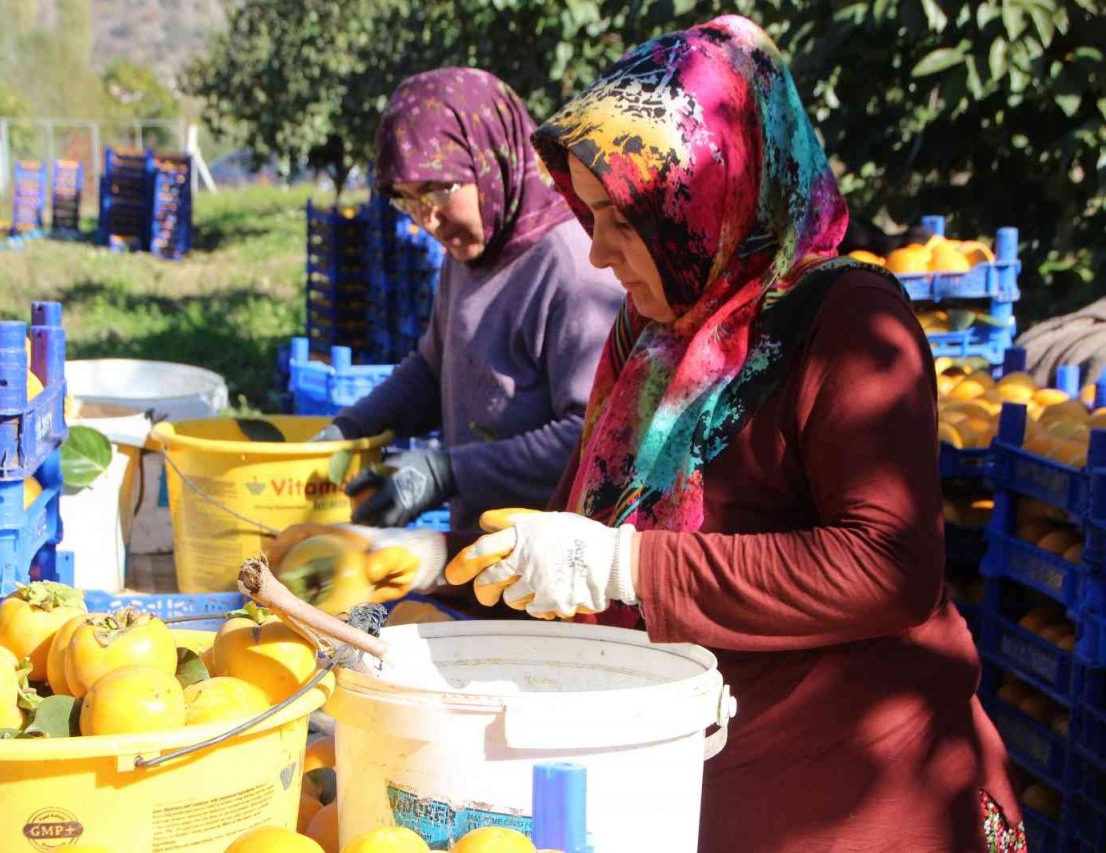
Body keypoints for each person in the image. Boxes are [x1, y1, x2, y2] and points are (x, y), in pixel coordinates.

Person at [445, 17, 1023, 852]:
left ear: (708, 192)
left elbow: (889, 563)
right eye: (588, 212)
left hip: (858, 806)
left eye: (622, 216)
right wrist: (439, 560)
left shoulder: (848, 323)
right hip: (697, 787)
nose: (599, 251)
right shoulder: (648, 333)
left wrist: (624, 566)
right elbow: (565, 533)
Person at [288, 68, 622, 600]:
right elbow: (432, 368)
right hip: (481, 557)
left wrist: (448, 472)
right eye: (407, 199)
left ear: (491, 160)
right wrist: (352, 427)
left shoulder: (570, 269)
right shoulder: (471, 253)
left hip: (554, 575)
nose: (428, 218)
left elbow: (587, 440)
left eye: (439, 190)